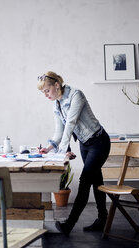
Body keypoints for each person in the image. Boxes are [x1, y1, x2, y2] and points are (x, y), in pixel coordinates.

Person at [37, 71, 111, 236]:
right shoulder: (56, 104)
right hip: (85, 145)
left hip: (99, 142)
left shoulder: (76, 95)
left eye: (47, 91)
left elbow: (70, 122)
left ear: (56, 85)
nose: (45, 95)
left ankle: (69, 224)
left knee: (85, 181)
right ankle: (103, 219)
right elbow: (59, 131)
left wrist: (62, 152)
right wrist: (49, 148)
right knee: (96, 180)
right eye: (43, 92)